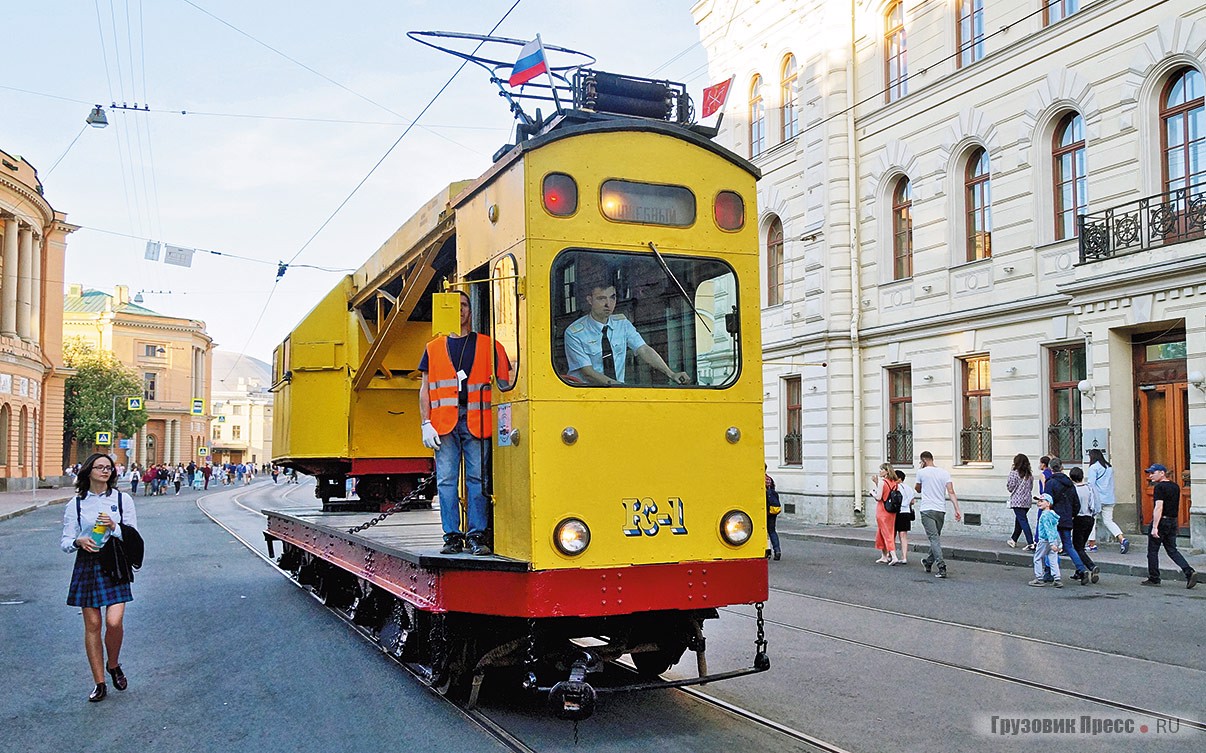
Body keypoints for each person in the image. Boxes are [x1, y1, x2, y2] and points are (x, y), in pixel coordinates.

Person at [419, 290, 512, 556]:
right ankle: (451, 536)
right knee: (446, 481)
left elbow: (505, 387)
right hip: (444, 423)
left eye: (464, 305)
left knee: (477, 480)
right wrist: (426, 423)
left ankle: (476, 535)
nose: (460, 310)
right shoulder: (432, 347)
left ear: (471, 310)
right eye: (455, 306)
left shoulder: (490, 345)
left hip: (478, 421)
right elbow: (425, 389)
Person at [59, 452, 138, 702]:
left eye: (109, 468)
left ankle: (113, 664)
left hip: (114, 562)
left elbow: (134, 536)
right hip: (88, 563)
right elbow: (64, 541)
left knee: (114, 622)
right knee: (92, 625)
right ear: (89, 471)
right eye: (100, 467)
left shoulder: (122, 500)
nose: (105, 471)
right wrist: (77, 541)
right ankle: (99, 683)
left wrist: (115, 528)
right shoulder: (77, 504)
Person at [563, 281, 690, 386]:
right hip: (584, 395)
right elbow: (587, 372)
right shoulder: (574, 333)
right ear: (590, 300)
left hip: (618, 392)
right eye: (601, 298)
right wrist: (618, 386)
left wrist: (671, 374)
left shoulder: (622, 324)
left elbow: (644, 349)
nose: (608, 304)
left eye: (612, 297)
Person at [1141, 464, 1199, 588]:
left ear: (1162, 473)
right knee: (1172, 550)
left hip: (1161, 521)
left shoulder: (1159, 487)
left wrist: (1155, 526)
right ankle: (1188, 571)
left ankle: (1154, 577)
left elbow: (1159, 507)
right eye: (1149, 473)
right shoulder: (1175, 486)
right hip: (1172, 521)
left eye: (1153, 473)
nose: (1150, 476)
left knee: (1152, 550)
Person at [1044, 457, 1090, 585]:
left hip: (1053, 518)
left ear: (1051, 469)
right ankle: (1081, 568)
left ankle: (1049, 573)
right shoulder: (1070, 484)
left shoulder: (1050, 483)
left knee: (1050, 545)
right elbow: (1076, 503)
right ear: (1062, 467)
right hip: (1067, 518)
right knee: (1068, 546)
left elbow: (1048, 501)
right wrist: (1071, 515)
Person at [915, 451, 961, 578]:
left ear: (923, 460)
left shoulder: (921, 472)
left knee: (934, 539)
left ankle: (941, 566)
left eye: (921, 462)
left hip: (927, 509)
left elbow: (917, 489)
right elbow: (951, 491)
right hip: (940, 510)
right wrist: (957, 509)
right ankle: (928, 562)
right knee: (935, 538)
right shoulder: (944, 473)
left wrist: (921, 477)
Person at [1086, 449, 1128, 554]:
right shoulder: (1109, 467)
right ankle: (1122, 539)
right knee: (1109, 521)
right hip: (1109, 498)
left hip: (1097, 499)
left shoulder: (1093, 468)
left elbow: (1091, 484)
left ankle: (1092, 545)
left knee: (1091, 521)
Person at [1070, 466, 1101, 584]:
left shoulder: (1074, 490)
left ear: (1072, 478)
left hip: (1079, 518)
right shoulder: (1089, 488)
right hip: (1090, 518)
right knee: (1081, 546)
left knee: (1077, 547)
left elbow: (1073, 506)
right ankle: (1078, 572)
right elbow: (1096, 502)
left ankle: (1091, 566)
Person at [1028, 493, 1063, 587]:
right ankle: (1057, 578)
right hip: (1053, 540)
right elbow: (1054, 530)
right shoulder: (1052, 515)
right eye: (1038, 501)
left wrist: (1052, 543)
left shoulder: (1044, 516)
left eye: (1041, 501)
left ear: (1048, 503)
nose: (1039, 503)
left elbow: (1048, 530)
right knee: (1053, 559)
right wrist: (1058, 543)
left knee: (1037, 558)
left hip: (1045, 540)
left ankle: (1039, 578)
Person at [871, 463, 900, 565]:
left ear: (887, 471)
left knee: (886, 533)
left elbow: (879, 497)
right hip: (891, 511)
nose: (879, 471)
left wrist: (872, 493)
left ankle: (893, 556)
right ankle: (884, 556)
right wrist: (876, 484)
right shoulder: (894, 483)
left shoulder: (882, 482)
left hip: (882, 510)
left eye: (881, 469)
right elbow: (889, 494)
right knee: (884, 532)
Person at [1005, 453, 1035, 550]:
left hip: (1017, 501)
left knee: (1022, 521)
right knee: (1020, 520)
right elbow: (1030, 487)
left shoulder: (1014, 473)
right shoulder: (1029, 474)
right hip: (1027, 501)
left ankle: (1031, 542)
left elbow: (1010, 487)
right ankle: (1013, 539)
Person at [892, 470, 914, 565]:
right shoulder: (909, 488)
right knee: (903, 536)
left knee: (892, 535)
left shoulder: (896, 487)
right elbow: (912, 501)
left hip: (897, 512)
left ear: (899, 479)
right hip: (906, 512)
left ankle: (892, 555)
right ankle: (904, 557)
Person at [765, 471, 781, 561]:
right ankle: (777, 550)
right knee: (772, 531)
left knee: (763, 532)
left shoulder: (760, 479)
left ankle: (767, 551)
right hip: (773, 510)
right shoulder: (769, 479)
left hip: (764, 511)